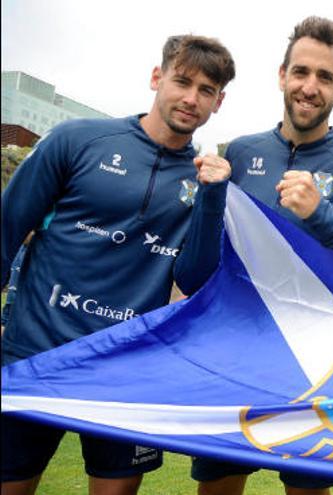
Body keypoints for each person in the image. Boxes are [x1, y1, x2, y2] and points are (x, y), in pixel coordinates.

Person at [1, 34, 236, 495]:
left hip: (125, 370)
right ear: (157, 77)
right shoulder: (77, 140)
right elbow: (7, 230)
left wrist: (212, 199)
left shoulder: (206, 178)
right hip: (35, 355)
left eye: (206, 90)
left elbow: (194, 278)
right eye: (182, 81)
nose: (191, 98)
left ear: (218, 102)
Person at [190, 16, 333, 495]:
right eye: (301, 72)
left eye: (325, 77)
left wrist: (321, 213)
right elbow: (202, 264)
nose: (309, 87)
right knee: (217, 486)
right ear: (282, 75)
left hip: (316, 362)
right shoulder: (242, 151)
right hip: (233, 354)